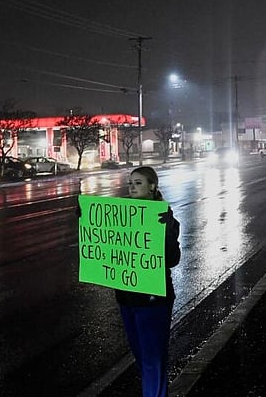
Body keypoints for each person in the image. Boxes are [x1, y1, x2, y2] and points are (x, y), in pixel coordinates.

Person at [118, 166, 181, 397]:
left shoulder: (163, 216)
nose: (132, 187)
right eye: (130, 183)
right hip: (127, 297)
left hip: (153, 299)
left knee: (153, 358)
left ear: (152, 186)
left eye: (138, 183)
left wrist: (165, 230)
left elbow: (173, 258)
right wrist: (85, 219)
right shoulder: (121, 215)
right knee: (142, 357)